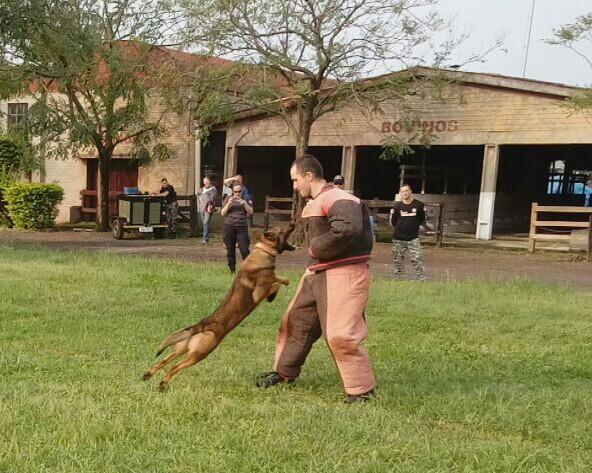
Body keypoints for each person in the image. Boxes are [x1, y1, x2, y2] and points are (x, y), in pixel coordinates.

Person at [256, 155, 376, 403]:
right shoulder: (318, 200)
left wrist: (316, 248)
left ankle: (361, 391)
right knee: (296, 323)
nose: (294, 185)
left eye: (296, 179)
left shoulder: (340, 198)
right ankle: (284, 372)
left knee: (341, 334)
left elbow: (348, 229)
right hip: (317, 272)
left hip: (344, 273)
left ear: (309, 176)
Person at [390, 184, 426, 280]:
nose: (405, 193)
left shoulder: (419, 205)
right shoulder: (397, 206)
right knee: (398, 259)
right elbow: (393, 221)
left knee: (417, 258)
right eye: (402, 191)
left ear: (410, 191)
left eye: (406, 191)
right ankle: (398, 278)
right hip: (398, 238)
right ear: (400, 193)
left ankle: (420, 278)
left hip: (413, 238)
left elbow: (422, 218)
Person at [221, 183, 253, 273]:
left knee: (244, 249)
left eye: (239, 191)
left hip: (242, 227)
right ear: (233, 192)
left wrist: (245, 204)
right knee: (230, 249)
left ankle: (248, 270)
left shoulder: (246, 198)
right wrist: (229, 204)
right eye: (235, 192)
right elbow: (222, 213)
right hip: (229, 226)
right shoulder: (228, 198)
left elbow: (251, 212)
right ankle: (232, 270)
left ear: (242, 191)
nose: (237, 194)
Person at [197, 176, 217, 244]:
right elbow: (198, 195)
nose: (205, 183)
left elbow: (212, 198)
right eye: (204, 182)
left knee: (206, 223)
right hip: (201, 208)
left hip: (208, 208)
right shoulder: (201, 189)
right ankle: (206, 238)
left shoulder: (213, 189)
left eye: (206, 182)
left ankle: (205, 239)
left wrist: (210, 204)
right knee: (204, 223)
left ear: (209, 182)